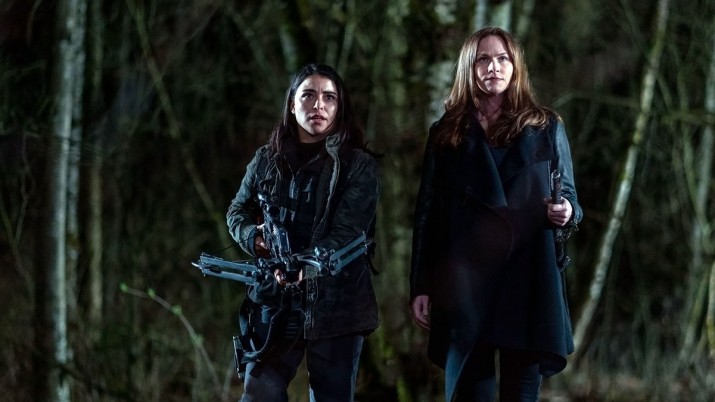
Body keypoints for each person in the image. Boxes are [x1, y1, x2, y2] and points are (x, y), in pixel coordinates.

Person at [409, 27, 583, 402]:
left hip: (528, 274)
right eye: (484, 59)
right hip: (466, 279)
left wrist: (566, 210)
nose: (494, 67)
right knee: (470, 392)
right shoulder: (447, 134)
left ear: (515, 66)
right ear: (468, 68)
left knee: (521, 392)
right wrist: (421, 284)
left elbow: (570, 197)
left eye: (503, 58)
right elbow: (428, 214)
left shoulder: (545, 127)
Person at [226, 63, 379, 402]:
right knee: (259, 392)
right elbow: (237, 211)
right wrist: (254, 237)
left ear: (339, 107)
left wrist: (302, 267)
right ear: (292, 104)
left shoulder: (358, 165)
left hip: (337, 306)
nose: (318, 105)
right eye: (308, 95)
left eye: (329, 97)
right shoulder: (266, 159)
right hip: (274, 301)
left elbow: (348, 233)